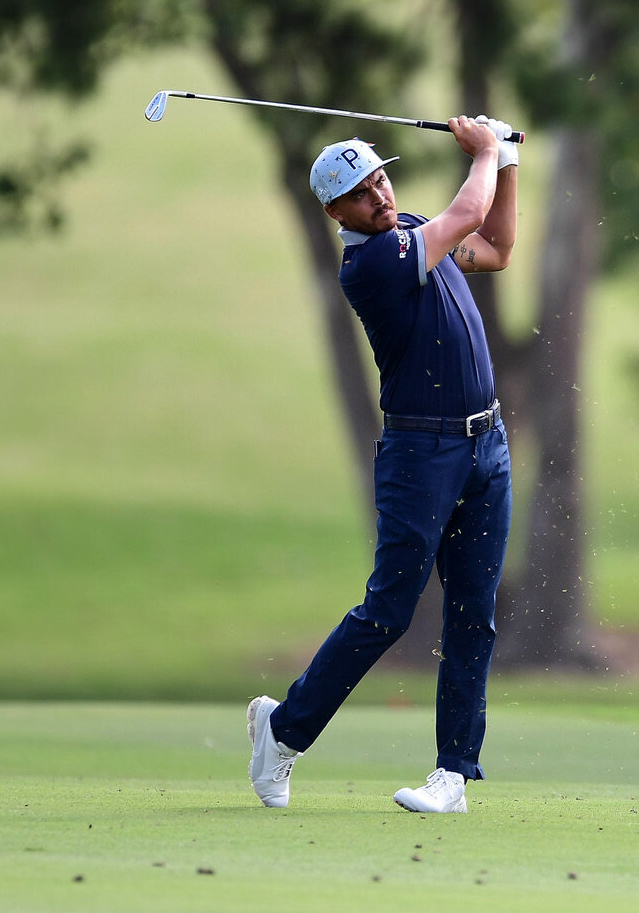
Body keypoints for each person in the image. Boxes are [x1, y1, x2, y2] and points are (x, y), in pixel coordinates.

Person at [247, 114, 518, 814]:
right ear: (336, 212)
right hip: (420, 454)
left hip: (486, 445)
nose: (381, 196)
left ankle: (453, 775)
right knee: (389, 610)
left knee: (474, 615)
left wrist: (508, 167)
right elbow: (468, 211)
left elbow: (494, 247)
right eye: (362, 194)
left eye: (381, 179)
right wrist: (487, 151)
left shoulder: (411, 232)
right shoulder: (372, 263)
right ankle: (283, 730)